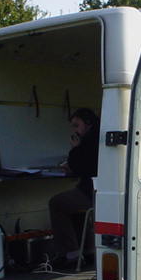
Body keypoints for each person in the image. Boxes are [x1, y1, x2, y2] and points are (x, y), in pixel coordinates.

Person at [49, 108, 99, 268]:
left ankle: (70, 254)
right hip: (94, 191)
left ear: (88, 123)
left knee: (57, 203)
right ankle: (88, 250)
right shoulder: (99, 136)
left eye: (77, 125)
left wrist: (75, 148)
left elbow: (81, 167)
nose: (75, 130)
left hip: (91, 192)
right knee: (72, 206)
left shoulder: (89, 141)